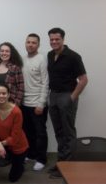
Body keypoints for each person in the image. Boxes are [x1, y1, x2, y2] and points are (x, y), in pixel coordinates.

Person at [47, 28, 88, 178]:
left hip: (67, 96)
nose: (54, 42)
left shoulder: (73, 56)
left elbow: (83, 80)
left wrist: (72, 98)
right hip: (54, 96)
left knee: (68, 132)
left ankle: (68, 166)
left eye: (57, 39)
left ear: (63, 39)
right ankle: (61, 163)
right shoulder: (50, 55)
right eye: (51, 39)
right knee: (59, 132)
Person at [0, 83, 28, 183]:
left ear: (8, 95)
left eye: (4, 93)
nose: (1, 96)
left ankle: (19, 165)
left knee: (13, 178)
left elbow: (15, 138)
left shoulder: (17, 112)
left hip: (18, 146)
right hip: (2, 144)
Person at [21, 33, 49, 171]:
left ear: (38, 45)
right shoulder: (23, 59)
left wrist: (41, 104)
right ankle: (31, 154)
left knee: (40, 133)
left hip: (37, 103)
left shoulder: (42, 59)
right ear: (25, 43)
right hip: (24, 103)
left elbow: (45, 83)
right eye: (28, 42)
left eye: (33, 42)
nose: (30, 44)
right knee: (27, 132)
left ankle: (41, 159)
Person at [0, 42, 24, 106]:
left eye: (7, 51)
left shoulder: (15, 68)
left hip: (11, 104)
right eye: (2, 51)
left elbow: (20, 88)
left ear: (11, 53)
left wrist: (16, 104)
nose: (4, 53)